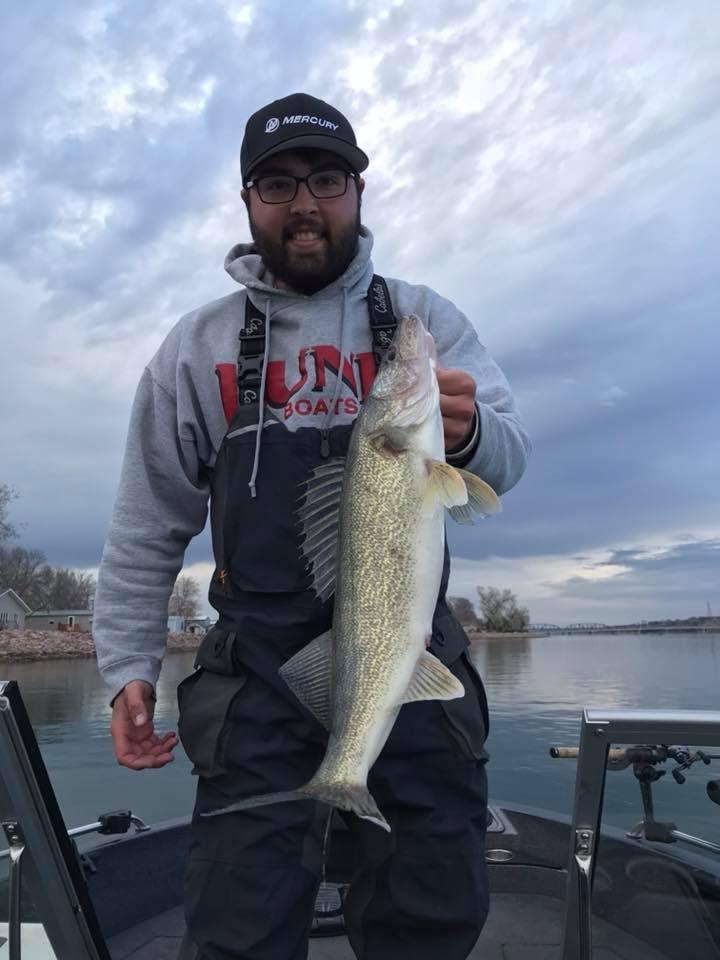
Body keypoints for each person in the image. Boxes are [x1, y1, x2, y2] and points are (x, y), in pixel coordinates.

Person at [94, 92, 530, 960]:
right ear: (247, 202)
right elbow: (145, 527)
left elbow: (507, 463)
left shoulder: (422, 320)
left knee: (432, 922)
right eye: (277, 184)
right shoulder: (197, 348)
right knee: (236, 933)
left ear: (358, 193)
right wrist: (126, 668)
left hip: (412, 671)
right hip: (254, 689)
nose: (304, 203)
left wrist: (469, 432)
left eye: (327, 180)